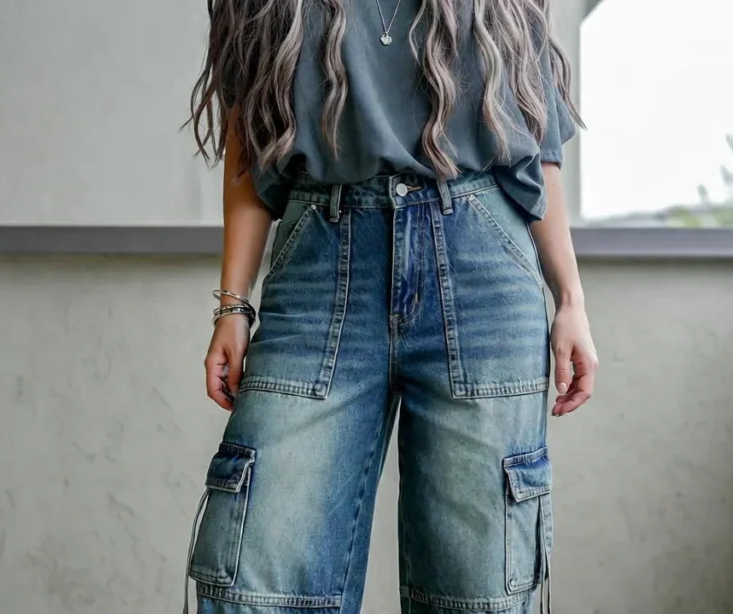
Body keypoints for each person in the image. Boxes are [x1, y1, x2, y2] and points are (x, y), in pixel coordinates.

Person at [184, 1, 599, 612]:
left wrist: (571, 299)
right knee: (256, 583)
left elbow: (535, 140)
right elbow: (250, 143)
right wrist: (232, 305)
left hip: (481, 272)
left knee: (477, 592)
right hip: (321, 266)